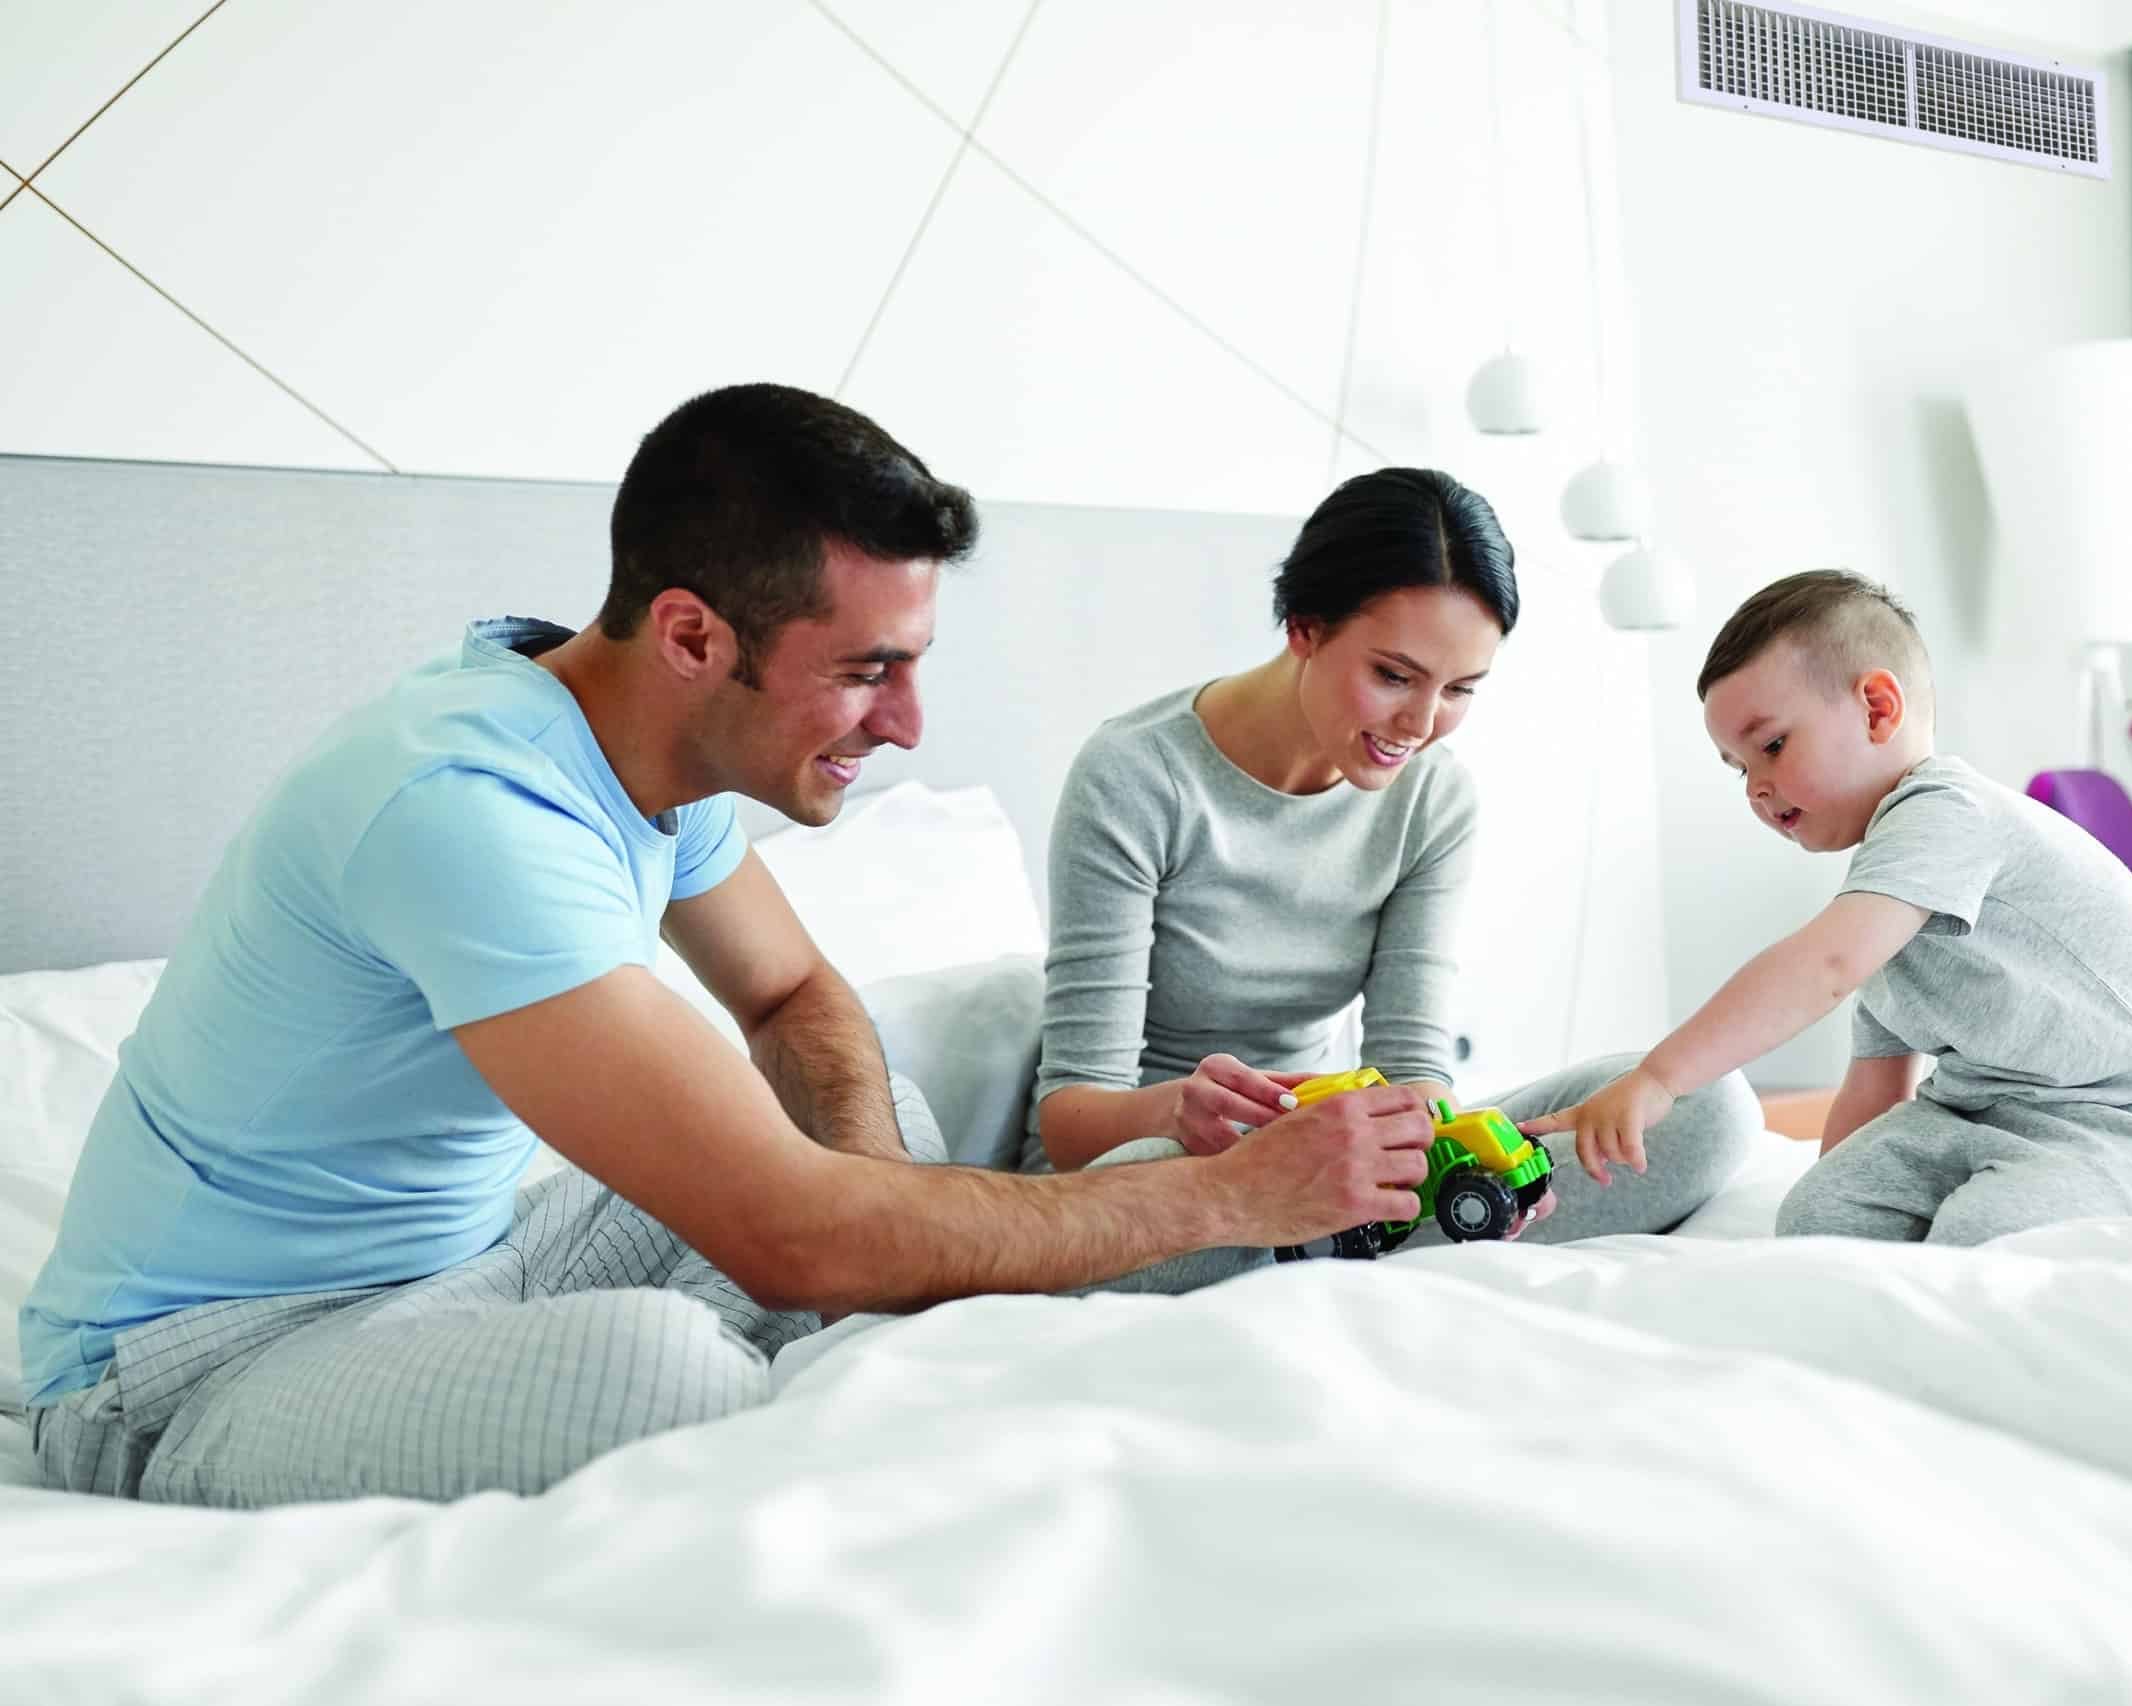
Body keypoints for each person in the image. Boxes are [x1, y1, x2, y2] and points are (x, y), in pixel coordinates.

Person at [18, 384, 1440, 1508]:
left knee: (879, 1099)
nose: (906, 724)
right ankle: (1044, 1273)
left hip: (482, 1251)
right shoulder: (465, 809)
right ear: (694, 635)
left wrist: (884, 1202)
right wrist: (1218, 1200)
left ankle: (944, 1289)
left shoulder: (633, 741)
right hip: (202, 1361)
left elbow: (796, 995)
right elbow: (783, 1224)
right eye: (866, 670)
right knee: (661, 1373)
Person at [1028, 467, 1760, 1283]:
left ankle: (1352, 1242)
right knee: (1134, 1184)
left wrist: (1452, 1152)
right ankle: (1343, 1247)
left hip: (1337, 1151)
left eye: (1460, 690)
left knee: (1708, 1107)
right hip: (1163, 1166)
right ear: (1304, 627)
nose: (1420, 725)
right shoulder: (1137, 775)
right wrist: (1183, 1108)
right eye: (1394, 676)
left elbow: (1415, 1070)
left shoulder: (1432, 799)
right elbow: (1069, 1120)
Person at [1522, 569, 2132, 1245]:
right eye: (1740, 769)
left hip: (2130, 1120)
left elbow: (1824, 966)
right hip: (1977, 1114)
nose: (1756, 789)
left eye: (1771, 746)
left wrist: (1658, 1078)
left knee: (1989, 1237)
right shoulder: (1886, 895)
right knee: (1816, 1218)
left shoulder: (1948, 815)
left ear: (1877, 708)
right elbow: (1878, 1090)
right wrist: (1838, 1194)